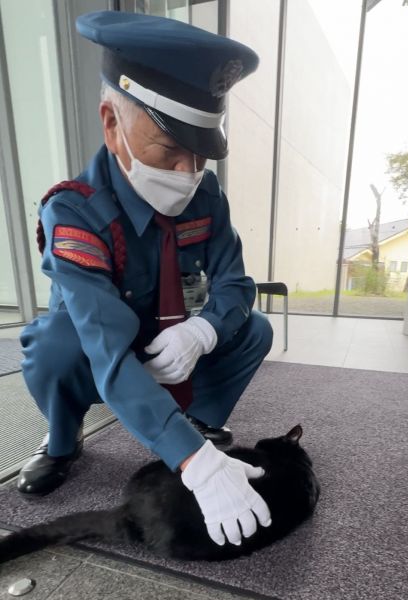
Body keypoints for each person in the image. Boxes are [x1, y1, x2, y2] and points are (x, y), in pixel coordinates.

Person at [17, 10, 273, 547]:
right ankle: (63, 442)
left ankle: (197, 420)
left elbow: (236, 285)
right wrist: (196, 464)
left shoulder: (207, 196)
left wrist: (202, 331)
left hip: (175, 340)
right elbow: (105, 350)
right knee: (54, 344)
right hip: (101, 350)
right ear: (112, 124)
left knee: (254, 329)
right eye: (170, 150)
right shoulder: (74, 212)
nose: (187, 172)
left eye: (201, 153)